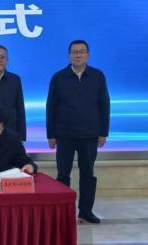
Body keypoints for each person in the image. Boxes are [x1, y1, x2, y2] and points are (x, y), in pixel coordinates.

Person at [46, 39, 110, 224]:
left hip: (90, 134)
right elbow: (51, 107)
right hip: (65, 135)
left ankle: (86, 211)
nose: (78, 54)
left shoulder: (97, 76)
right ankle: (62, 212)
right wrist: (51, 135)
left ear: (88, 55)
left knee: (88, 174)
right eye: (75, 52)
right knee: (63, 174)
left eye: (82, 51)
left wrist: (103, 132)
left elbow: (104, 105)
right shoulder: (59, 77)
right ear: (69, 55)